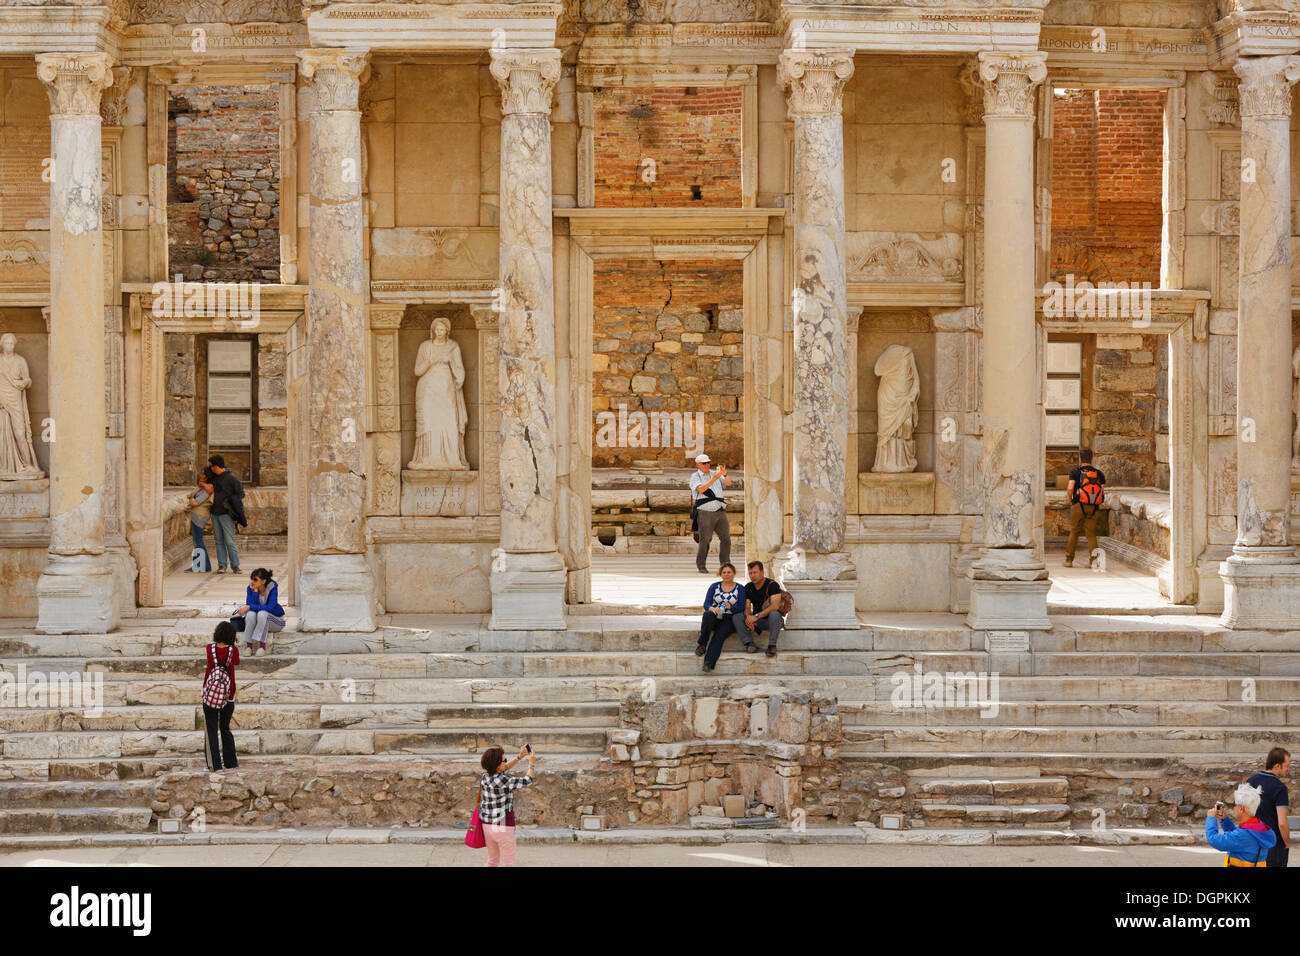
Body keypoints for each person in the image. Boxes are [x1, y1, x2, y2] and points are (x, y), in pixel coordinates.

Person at [477, 744, 536, 868]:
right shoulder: (504, 780)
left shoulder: (485, 777)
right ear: (497, 764)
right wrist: (531, 763)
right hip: (502, 825)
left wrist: (519, 758)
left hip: (487, 825)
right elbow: (528, 780)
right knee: (509, 863)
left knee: (492, 861)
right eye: (504, 760)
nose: (506, 762)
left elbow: (503, 770)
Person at [1206, 782, 1276, 867]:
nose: (1233, 807)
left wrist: (1211, 818)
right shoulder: (1259, 828)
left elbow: (1214, 840)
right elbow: (1237, 838)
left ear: (1241, 808)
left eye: (1234, 804)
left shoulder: (1243, 835)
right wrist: (1224, 820)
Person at [202, 621, 240, 772]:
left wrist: (204, 690)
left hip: (211, 694)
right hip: (228, 695)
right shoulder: (233, 651)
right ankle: (230, 762)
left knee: (211, 730)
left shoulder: (209, 649)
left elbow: (209, 670)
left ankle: (214, 765)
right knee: (225, 728)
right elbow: (236, 662)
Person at [695, 563, 746, 672]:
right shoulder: (714, 586)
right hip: (715, 615)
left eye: (729, 572)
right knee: (707, 614)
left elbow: (741, 607)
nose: (726, 574)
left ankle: (708, 662)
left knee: (718, 636)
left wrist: (731, 607)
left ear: (733, 574)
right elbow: (706, 604)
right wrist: (712, 609)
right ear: (721, 574)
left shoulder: (740, 588)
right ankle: (702, 645)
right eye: (724, 572)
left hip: (729, 619)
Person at [1248, 747, 1291, 867]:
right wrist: (1287, 843)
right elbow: (1282, 823)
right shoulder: (1280, 788)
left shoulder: (1251, 781)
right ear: (1277, 766)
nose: (1289, 769)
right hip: (1273, 845)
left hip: (1252, 843)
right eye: (1287, 765)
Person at [690, 453, 732, 575]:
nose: (707, 465)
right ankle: (701, 565)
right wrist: (714, 479)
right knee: (705, 540)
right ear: (698, 465)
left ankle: (725, 564)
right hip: (705, 512)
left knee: (726, 539)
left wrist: (724, 474)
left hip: (720, 510)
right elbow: (701, 489)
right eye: (704, 463)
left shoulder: (716, 473)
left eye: (708, 462)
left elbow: (728, 483)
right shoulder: (695, 476)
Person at [736, 560, 787, 658]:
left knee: (775, 614)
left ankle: (772, 646)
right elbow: (747, 607)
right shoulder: (748, 587)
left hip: (772, 621)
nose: (752, 575)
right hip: (757, 622)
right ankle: (749, 643)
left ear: (762, 572)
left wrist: (756, 616)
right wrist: (748, 618)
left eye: (755, 572)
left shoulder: (772, 585)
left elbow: (775, 606)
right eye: (750, 573)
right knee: (737, 616)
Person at [1065, 447, 1106, 568]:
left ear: (1080, 458)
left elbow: (1070, 488)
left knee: (1074, 531)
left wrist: (1069, 498)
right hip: (1093, 507)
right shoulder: (1099, 473)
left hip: (1078, 505)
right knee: (1091, 534)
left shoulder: (1075, 472)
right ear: (1091, 458)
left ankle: (1069, 560)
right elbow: (1102, 491)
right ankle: (1093, 561)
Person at [207, 454, 246, 574]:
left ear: (217, 466)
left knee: (229, 540)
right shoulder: (213, 477)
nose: (210, 469)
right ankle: (222, 565)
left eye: (212, 466)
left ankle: (235, 565)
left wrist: (228, 503)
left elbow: (241, 494)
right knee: (218, 541)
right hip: (215, 513)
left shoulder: (232, 478)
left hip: (226, 514)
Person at [237, 568, 284, 657]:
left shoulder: (272, 587)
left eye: (255, 579)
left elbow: (270, 607)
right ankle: (249, 646)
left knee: (262, 613)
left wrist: (250, 606)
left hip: (276, 621)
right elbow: (250, 608)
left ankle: (262, 646)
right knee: (250, 614)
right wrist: (255, 591)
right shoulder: (250, 588)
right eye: (252, 579)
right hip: (261, 621)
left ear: (263, 581)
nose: (252, 582)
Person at [187, 466, 215, 573]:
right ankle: (198, 565)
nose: (201, 475)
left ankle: (204, 566)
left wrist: (190, 500)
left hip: (199, 516)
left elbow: (195, 502)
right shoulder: (204, 487)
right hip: (196, 515)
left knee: (198, 541)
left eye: (203, 474)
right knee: (196, 541)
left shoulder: (208, 490)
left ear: (208, 476)